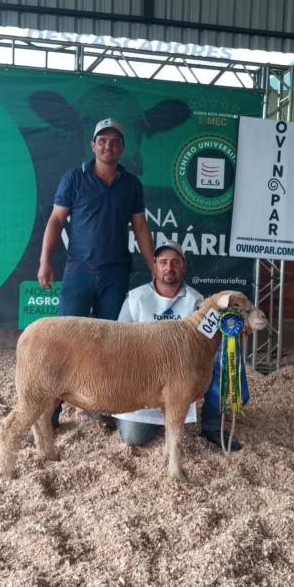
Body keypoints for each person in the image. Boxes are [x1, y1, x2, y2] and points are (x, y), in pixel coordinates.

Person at [37, 117, 154, 427]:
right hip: (78, 273)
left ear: (122, 148)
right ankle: (51, 414)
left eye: (114, 141)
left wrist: (154, 264)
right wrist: (45, 262)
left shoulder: (131, 184)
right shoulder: (74, 179)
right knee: (63, 343)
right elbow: (55, 221)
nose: (108, 145)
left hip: (115, 275)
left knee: (109, 347)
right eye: (102, 140)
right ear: (93, 145)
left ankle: (106, 409)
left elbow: (141, 226)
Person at [115, 239, 243, 451]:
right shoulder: (135, 298)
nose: (169, 267)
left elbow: (209, 344)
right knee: (134, 437)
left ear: (184, 266)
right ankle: (123, 415)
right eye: (163, 262)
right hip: (142, 383)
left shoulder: (197, 301)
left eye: (175, 262)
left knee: (222, 359)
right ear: (154, 265)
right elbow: (118, 346)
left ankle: (211, 425)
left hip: (178, 383)